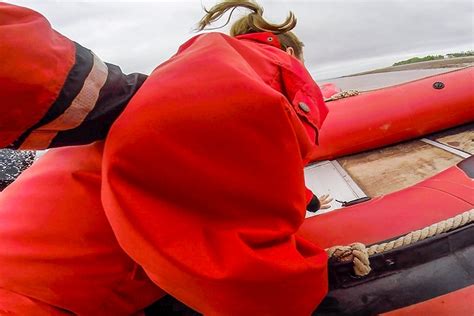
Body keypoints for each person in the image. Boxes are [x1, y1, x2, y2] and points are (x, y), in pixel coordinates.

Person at [0, 1, 330, 314]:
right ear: (291, 53)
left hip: (28, 256)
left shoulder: (201, 71)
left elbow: (203, 157)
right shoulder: (274, 68)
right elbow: (238, 278)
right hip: (38, 295)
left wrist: (298, 195)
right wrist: (291, 293)